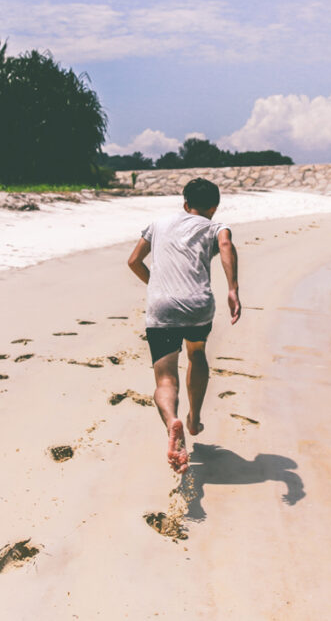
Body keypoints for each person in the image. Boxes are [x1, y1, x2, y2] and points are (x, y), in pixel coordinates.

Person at [127, 178, 241, 474]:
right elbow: (226, 244)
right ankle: (193, 419)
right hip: (197, 306)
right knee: (197, 354)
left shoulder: (159, 223)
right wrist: (233, 288)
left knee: (165, 380)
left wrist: (156, 286)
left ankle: (171, 423)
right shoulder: (216, 227)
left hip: (162, 308)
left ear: (184, 203)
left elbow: (133, 261)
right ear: (214, 207)